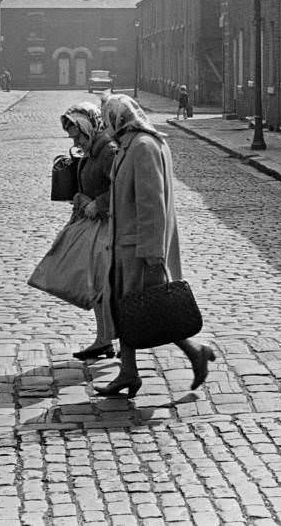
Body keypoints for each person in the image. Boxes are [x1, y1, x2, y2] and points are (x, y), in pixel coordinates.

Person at [95, 93, 215, 398]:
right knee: (130, 310)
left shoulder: (143, 147)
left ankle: (193, 352)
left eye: (107, 117)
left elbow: (152, 204)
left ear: (117, 118)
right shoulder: (131, 145)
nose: (105, 124)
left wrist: (152, 254)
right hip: (125, 243)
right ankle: (129, 371)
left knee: (146, 310)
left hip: (137, 247)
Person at [60, 103, 120, 360]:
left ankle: (110, 339)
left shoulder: (107, 151)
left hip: (109, 228)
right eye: (73, 137)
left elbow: (123, 188)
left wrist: (99, 204)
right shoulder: (92, 150)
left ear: (91, 127)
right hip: (95, 225)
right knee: (97, 284)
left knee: (104, 285)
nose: (76, 142)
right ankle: (104, 338)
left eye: (78, 136)